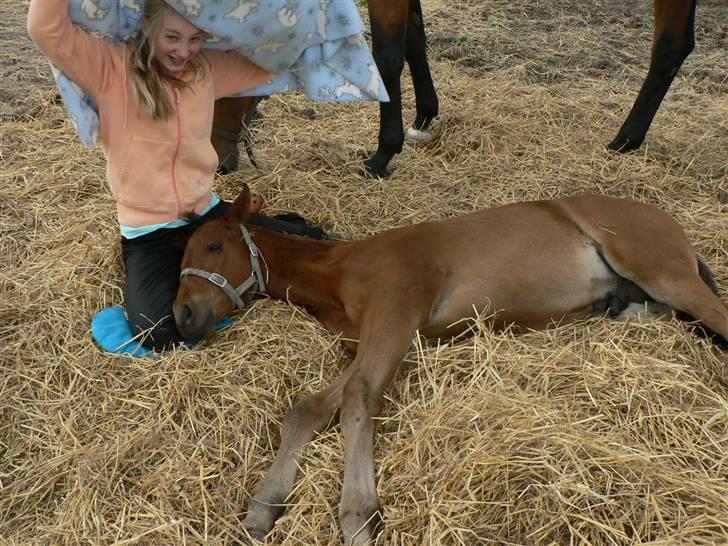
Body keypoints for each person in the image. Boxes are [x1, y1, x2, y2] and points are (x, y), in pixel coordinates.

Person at [28, 0, 324, 351]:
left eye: (195, 39)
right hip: (149, 233)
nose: (184, 51)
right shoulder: (109, 67)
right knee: (163, 333)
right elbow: (44, 27)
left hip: (208, 217)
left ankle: (283, 225)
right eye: (172, 37)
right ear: (148, 27)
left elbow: (273, 60)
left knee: (312, 244)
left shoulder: (206, 70)